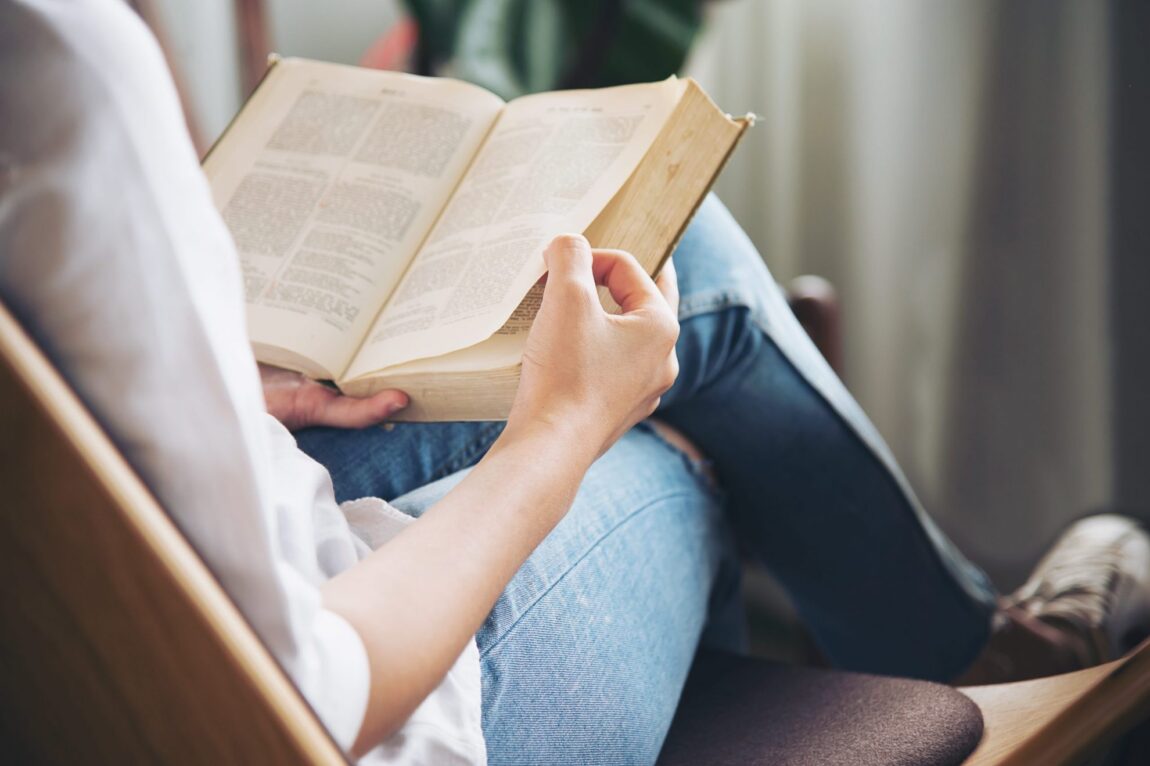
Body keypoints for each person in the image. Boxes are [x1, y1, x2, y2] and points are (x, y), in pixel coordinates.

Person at [1, 1, 1147, 764]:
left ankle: (957, 636)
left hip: (147, 578)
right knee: (670, 424)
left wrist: (226, 384)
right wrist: (558, 433)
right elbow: (306, 695)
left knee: (668, 268)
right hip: (335, 709)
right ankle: (966, 650)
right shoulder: (57, 60)